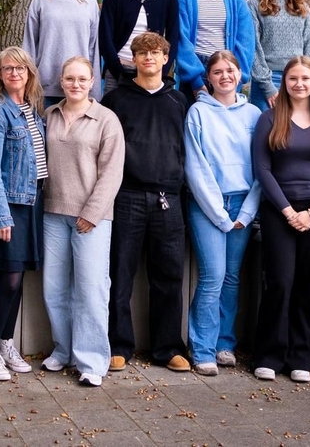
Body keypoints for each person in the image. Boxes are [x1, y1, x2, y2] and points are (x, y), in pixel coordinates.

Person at [101, 32, 191, 373]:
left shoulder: (179, 100)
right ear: (133, 60)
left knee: (169, 277)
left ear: (165, 59)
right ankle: (118, 345)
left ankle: (168, 348)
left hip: (168, 198)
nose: (149, 58)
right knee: (120, 274)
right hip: (127, 196)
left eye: (155, 53)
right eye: (142, 53)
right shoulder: (116, 100)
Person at [251, 55, 310, 383]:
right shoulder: (269, 118)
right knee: (279, 280)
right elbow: (262, 169)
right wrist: (289, 211)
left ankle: (302, 356)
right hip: (279, 210)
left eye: (305, 78)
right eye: (293, 79)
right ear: (285, 82)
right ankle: (269, 355)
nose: (299, 84)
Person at [41, 57, 125, 387]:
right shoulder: (50, 116)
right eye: (69, 78)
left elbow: (112, 172)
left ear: (92, 83)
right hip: (52, 213)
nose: (76, 84)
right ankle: (63, 350)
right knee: (54, 289)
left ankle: (91, 361)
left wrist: (92, 213)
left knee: (90, 290)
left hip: (92, 217)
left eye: (82, 79)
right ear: (61, 81)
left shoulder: (106, 120)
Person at [183, 50, 261, 375]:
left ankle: (224, 345)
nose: (225, 76)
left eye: (230, 70)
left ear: (240, 74)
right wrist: (218, 213)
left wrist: (247, 211)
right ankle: (201, 349)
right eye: (217, 72)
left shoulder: (254, 114)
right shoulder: (197, 113)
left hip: (243, 204)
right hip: (207, 205)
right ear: (209, 77)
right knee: (213, 276)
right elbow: (195, 167)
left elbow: (263, 168)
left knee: (231, 278)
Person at [0, 47, 46, 380]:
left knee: (18, 282)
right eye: (7, 69)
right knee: (10, 279)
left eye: (21, 68)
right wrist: (0, 216)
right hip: (10, 205)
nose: (15, 73)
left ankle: (7, 343)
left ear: (29, 72)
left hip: (32, 203)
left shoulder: (32, 110)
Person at [176, 0, 255, 99]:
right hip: (196, 71)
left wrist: (238, 77)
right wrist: (196, 83)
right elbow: (181, 42)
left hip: (226, 70)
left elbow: (246, 41)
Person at [23, 0, 101, 107]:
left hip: (80, 90)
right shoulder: (40, 2)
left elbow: (93, 49)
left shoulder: (90, 4)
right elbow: (29, 47)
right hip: (44, 91)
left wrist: (95, 91)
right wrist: (27, 86)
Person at [247, 0, 310, 111]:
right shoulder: (254, 4)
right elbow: (253, 47)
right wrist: (267, 86)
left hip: (297, 80)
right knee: (267, 132)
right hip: (267, 79)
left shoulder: (302, 6)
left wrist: (309, 78)